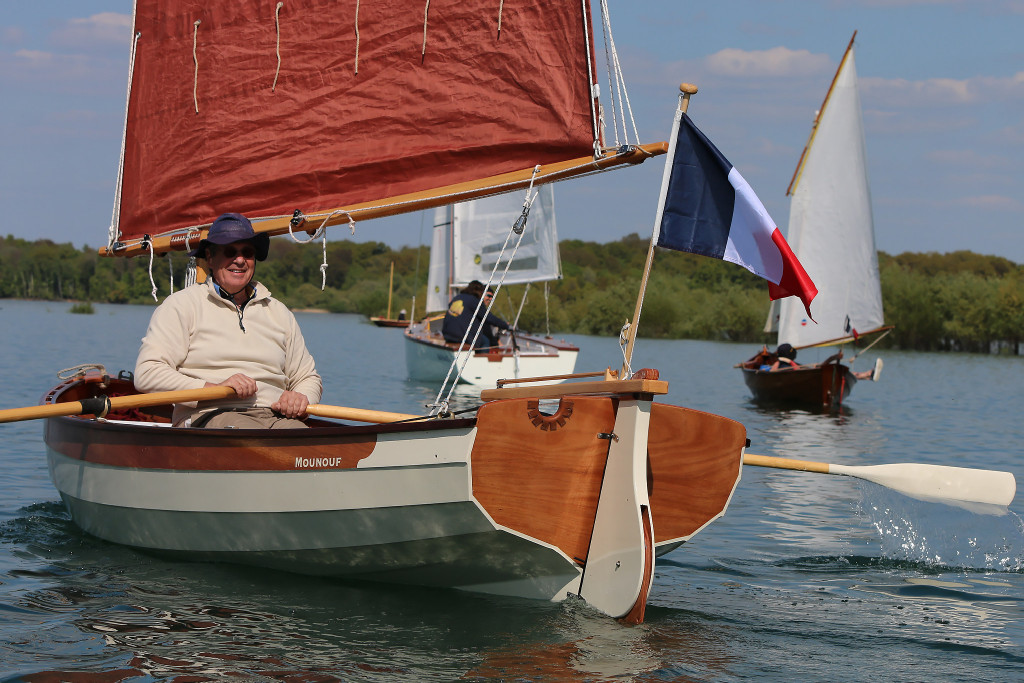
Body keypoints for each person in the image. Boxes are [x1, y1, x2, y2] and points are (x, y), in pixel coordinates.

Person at [135, 212, 322, 429]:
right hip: (208, 415)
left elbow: (307, 377)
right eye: (230, 251)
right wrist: (212, 388)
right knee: (253, 440)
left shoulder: (279, 312)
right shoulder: (181, 305)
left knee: (304, 443)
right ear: (211, 258)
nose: (240, 260)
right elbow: (147, 373)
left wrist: (301, 397)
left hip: (275, 417)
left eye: (248, 253)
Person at [441, 280, 511, 348]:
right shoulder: (474, 301)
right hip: (461, 337)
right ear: (479, 291)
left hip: (447, 335)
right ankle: (482, 359)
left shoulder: (457, 298)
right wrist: (506, 326)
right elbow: (488, 317)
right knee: (485, 341)